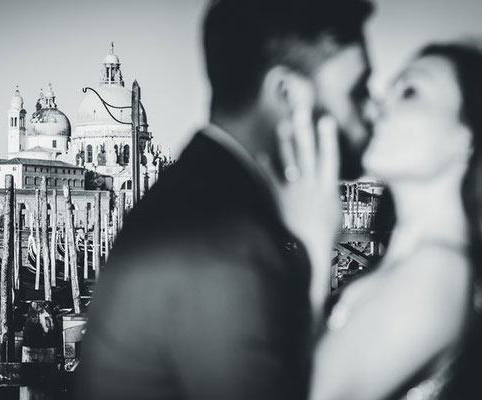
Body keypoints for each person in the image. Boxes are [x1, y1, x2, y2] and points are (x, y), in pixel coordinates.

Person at [80, 0, 373, 398]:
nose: (371, 112)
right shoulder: (222, 242)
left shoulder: (202, 198)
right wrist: (315, 255)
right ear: (287, 94)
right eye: (358, 92)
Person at [304, 43, 482, 400]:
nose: (378, 104)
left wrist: (310, 238)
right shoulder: (423, 264)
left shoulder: (437, 271)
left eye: (410, 92)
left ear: (469, 137)